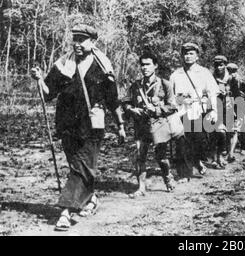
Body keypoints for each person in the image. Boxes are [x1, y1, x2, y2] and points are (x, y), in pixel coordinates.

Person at [30, 24, 126, 231]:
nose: (77, 44)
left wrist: (120, 126)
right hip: (67, 125)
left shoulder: (102, 67)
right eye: (75, 39)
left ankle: (66, 211)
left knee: (81, 166)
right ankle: (91, 199)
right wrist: (39, 80)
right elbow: (48, 93)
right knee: (80, 166)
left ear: (92, 42)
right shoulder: (63, 64)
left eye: (82, 40)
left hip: (92, 125)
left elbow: (113, 100)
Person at [122, 52, 180, 197]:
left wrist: (157, 109)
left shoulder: (165, 84)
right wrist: (131, 109)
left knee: (161, 157)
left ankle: (167, 177)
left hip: (159, 124)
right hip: (141, 125)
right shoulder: (135, 86)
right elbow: (126, 102)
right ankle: (141, 188)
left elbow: (172, 106)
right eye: (142, 65)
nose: (144, 68)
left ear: (155, 66)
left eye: (148, 64)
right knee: (140, 156)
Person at [170, 42, 219, 180]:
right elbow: (171, 97)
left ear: (197, 56)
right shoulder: (176, 75)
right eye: (185, 53)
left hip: (198, 111)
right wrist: (180, 101)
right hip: (181, 112)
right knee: (182, 142)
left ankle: (197, 161)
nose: (188, 56)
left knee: (199, 141)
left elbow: (212, 93)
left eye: (191, 53)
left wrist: (214, 110)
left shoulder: (204, 73)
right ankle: (184, 174)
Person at [225, 63, 245, 162]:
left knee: (235, 131)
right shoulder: (225, 81)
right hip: (227, 107)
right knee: (229, 131)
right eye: (230, 71)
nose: (232, 73)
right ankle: (228, 151)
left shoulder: (241, 82)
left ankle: (231, 153)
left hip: (238, 108)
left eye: (233, 71)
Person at [211, 55, 230, 169]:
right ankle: (214, 158)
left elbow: (239, 94)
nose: (219, 67)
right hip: (214, 107)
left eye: (221, 65)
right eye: (216, 65)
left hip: (228, 108)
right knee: (214, 133)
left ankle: (221, 155)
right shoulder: (211, 77)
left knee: (225, 133)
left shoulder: (231, 78)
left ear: (225, 65)